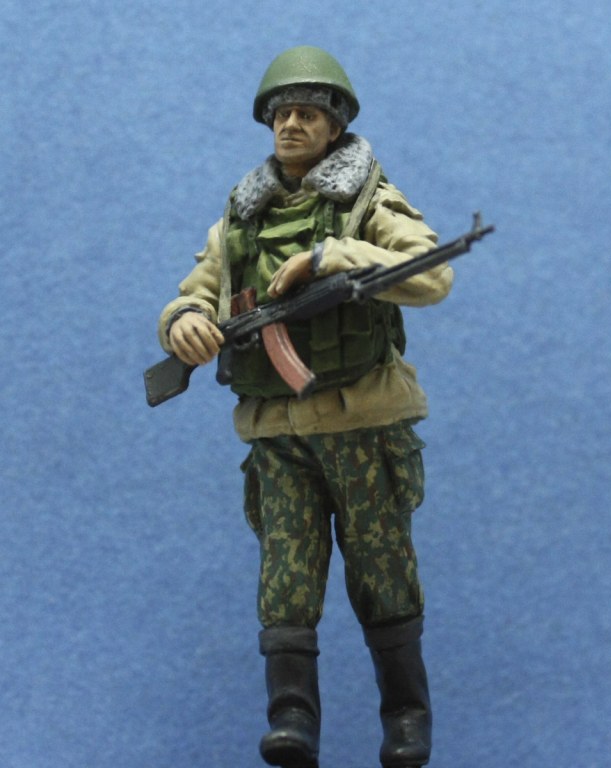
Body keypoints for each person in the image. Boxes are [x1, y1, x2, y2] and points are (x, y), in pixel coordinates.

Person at [157, 46, 454, 768]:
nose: (291, 124)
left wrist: (333, 258)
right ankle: (292, 717)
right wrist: (184, 323)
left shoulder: (369, 202)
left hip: (363, 423)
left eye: (308, 114)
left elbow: (432, 273)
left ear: (335, 125)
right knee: (285, 580)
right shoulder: (239, 217)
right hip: (277, 433)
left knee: (383, 573)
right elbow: (196, 292)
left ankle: (406, 718)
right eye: (282, 114)